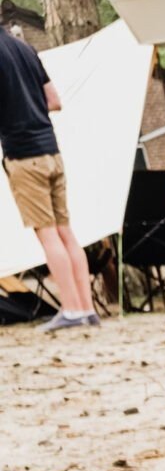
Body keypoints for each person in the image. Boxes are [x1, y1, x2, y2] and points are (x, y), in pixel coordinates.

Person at [0, 17, 95, 331]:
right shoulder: (25, 48)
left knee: (48, 233)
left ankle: (69, 310)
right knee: (66, 231)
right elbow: (54, 100)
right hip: (52, 152)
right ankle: (86, 308)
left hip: (24, 157)